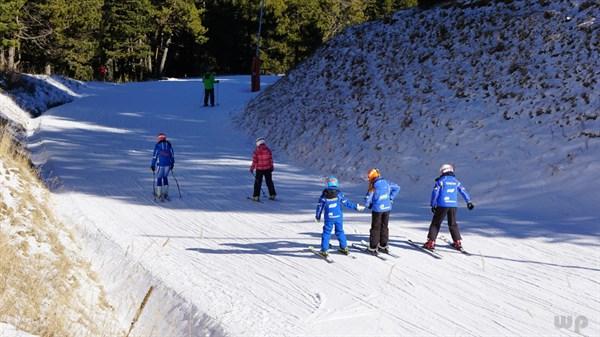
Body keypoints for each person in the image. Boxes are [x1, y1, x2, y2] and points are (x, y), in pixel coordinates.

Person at [424, 164, 474, 250]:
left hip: (442, 205)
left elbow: (435, 193)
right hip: (453, 205)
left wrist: (433, 204)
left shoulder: (441, 181)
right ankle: (457, 242)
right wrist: (468, 201)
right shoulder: (456, 181)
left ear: (443, 171)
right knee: (453, 223)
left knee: (436, 223)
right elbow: (463, 191)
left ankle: (431, 242)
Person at [315, 176, 365, 257]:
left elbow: (319, 206)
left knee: (327, 232)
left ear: (328, 184)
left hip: (329, 218)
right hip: (338, 217)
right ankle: (344, 247)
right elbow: (346, 203)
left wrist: (318, 216)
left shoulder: (324, 195)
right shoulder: (339, 194)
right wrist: (356, 207)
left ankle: (324, 249)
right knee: (340, 231)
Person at [364, 168, 400, 255]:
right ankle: (383, 245)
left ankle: (373, 247)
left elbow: (368, 198)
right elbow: (397, 188)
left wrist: (368, 205)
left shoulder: (374, 185)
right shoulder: (386, 182)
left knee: (375, 228)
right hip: (387, 208)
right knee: (384, 226)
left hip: (377, 209)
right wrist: (390, 198)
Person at [150, 133, 175, 200]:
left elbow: (155, 156)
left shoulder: (157, 146)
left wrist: (152, 165)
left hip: (160, 165)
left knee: (159, 178)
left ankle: (159, 193)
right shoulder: (169, 145)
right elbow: (172, 155)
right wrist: (172, 164)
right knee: (165, 177)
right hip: (168, 165)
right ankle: (165, 193)